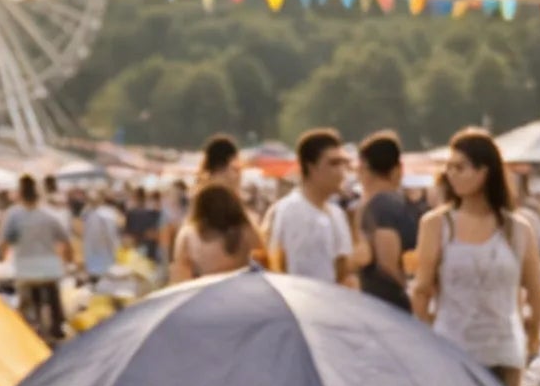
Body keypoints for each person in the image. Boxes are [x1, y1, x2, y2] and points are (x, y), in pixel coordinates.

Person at [411, 129, 540, 386]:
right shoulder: (437, 224)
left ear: (484, 171)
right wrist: (426, 334)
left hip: (503, 350)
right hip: (452, 348)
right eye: (449, 167)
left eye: (460, 167)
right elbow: (422, 288)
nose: (452, 174)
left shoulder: (517, 228)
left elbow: (535, 289)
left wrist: (534, 336)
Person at [266, 130, 355, 286]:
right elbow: (279, 264)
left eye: (343, 163)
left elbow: (342, 269)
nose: (341, 171)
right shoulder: (290, 210)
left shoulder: (337, 214)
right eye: (333, 163)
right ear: (311, 166)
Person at [0, 173, 73, 345]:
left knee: (27, 310)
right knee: (54, 303)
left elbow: (4, 242)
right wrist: (68, 261)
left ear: (20, 193)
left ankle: (31, 336)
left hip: (25, 270)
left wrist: (4, 259)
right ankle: (57, 329)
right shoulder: (49, 214)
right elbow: (65, 241)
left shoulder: (13, 215)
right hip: (50, 269)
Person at [355, 130, 420, 311]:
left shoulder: (380, 205)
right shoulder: (402, 203)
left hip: (386, 306)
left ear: (364, 168)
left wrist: (408, 294)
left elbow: (387, 264)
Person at [168, 138, 242, 281]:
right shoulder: (226, 198)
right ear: (230, 163)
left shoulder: (197, 197)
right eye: (236, 169)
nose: (238, 176)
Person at [177, 182, 256, 278]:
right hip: (241, 285)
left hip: (206, 286)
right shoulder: (246, 231)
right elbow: (263, 260)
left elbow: (181, 275)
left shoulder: (189, 234)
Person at [78, 190, 122, 282]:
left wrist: (115, 248)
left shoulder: (107, 214)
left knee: (105, 276)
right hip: (92, 250)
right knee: (95, 276)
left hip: (104, 250)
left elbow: (111, 234)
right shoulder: (87, 212)